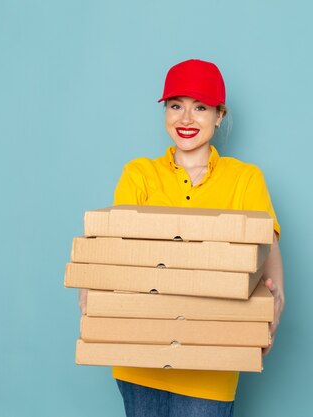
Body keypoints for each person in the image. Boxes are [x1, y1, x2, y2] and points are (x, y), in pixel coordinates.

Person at [80, 59, 285, 417]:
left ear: (219, 115)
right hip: (138, 358)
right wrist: (93, 290)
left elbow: (268, 247)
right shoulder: (140, 174)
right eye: (176, 106)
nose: (186, 119)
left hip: (212, 362)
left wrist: (274, 307)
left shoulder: (245, 179)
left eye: (200, 107)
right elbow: (116, 250)